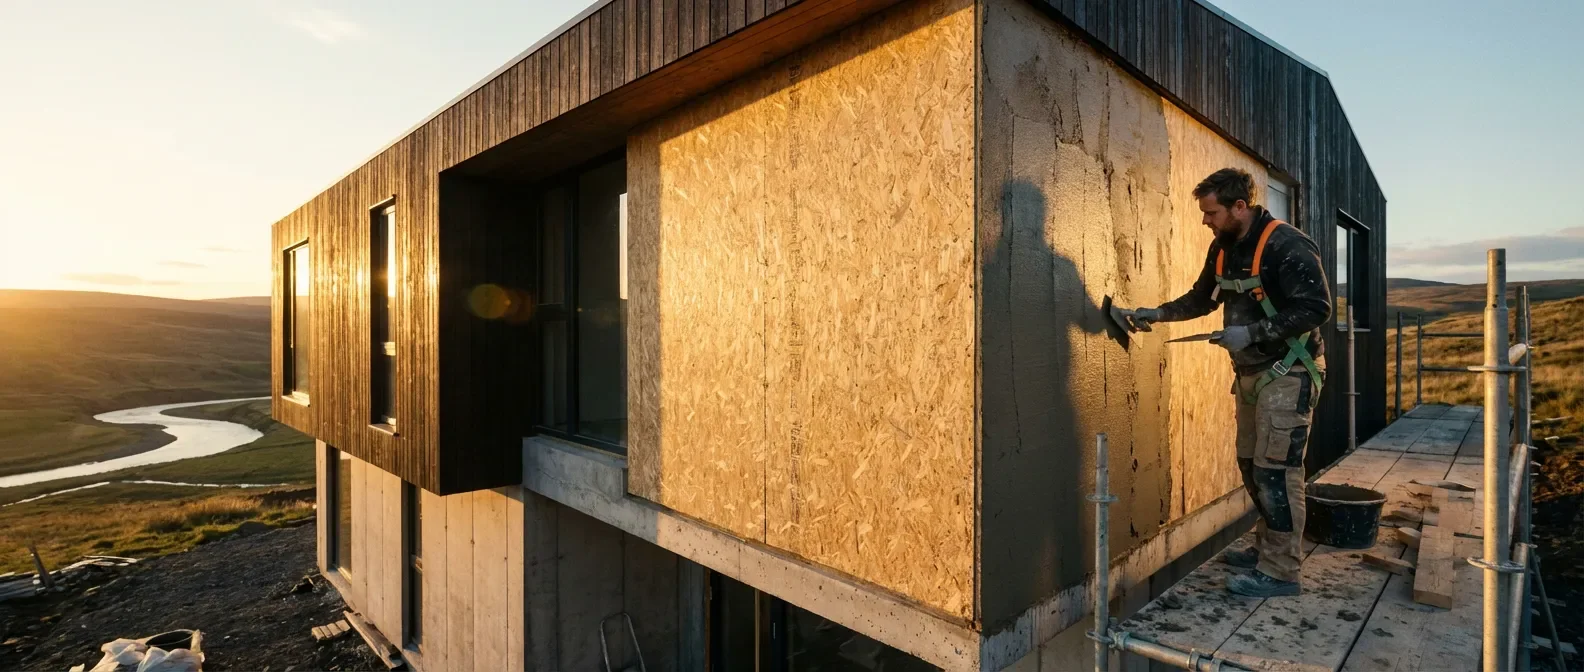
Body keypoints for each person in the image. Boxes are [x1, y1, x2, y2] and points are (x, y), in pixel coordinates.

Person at [1118, 168, 1332, 597]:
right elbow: (1202, 298)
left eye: (1211, 212)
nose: (1205, 221)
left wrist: (1252, 334)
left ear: (1240, 206)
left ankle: (1281, 572)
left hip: (1288, 372)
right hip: (1252, 375)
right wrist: (1156, 315)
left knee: (1278, 471)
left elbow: (1317, 307)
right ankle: (1266, 550)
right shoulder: (1224, 248)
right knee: (1252, 466)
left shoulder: (1286, 245)